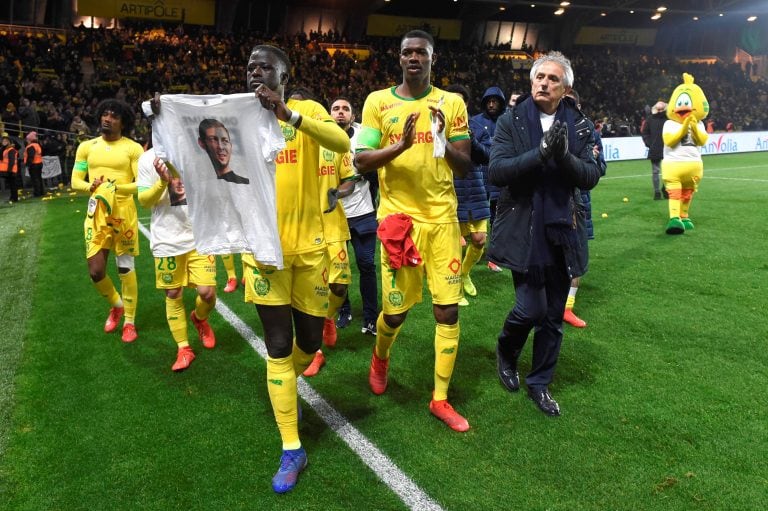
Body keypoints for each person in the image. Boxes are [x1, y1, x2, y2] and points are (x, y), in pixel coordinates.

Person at [355, 30, 474, 432]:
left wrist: (442, 140)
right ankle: (380, 357)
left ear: (432, 59)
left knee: (447, 309)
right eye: (407, 52)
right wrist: (399, 147)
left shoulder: (452, 103)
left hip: (442, 221)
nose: (413, 58)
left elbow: (465, 166)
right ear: (399, 58)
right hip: (398, 221)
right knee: (396, 311)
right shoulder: (378, 102)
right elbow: (361, 160)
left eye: (421, 52)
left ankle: (440, 399)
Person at [244, 44, 350, 493]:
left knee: (308, 341)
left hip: (310, 249)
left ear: (284, 74)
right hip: (263, 251)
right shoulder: (240, 116)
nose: (255, 73)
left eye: (264, 66)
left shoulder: (306, 109)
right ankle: (292, 446)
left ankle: (286, 387)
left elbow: (342, 143)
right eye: (250, 67)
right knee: (278, 345)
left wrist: (286, 114)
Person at [487, 51, 602, 416]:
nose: (544, 83)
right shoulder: (511, 121)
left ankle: (539, 383)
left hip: (564, 232)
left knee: (553, 316)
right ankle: (506, 351)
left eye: (553, 79)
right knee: (530, 308)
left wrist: (564, 156)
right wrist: (539, 153)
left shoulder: (581, 126)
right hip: (525, 229)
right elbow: (497, 171)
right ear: (532, 81)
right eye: (540, 77)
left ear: (565, 87)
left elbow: (590, 177)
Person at [137, 147, 217, 372]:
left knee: (207, 293)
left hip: (199, 235)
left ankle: (199, 318)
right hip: (167, 239)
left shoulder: (197, 149)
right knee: (173, 293)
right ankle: (184, 348)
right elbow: (143, 200)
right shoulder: (148, 159)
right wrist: (163, 182)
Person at [70, 99, 144, 343]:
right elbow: (75, 181)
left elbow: (140, 184)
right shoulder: (86, 147)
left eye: (113, 116)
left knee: (125, 268)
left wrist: (114, 187)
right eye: (104, 114)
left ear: (123, 122)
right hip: (97, 215)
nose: (107, 119)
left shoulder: (133, 149)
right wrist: (90, 186)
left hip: (123, 214)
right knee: (96, 271)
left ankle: (130, 322)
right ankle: (117, 304)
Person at [303, 129, 356, 377]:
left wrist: (339, 192)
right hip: (302, 230)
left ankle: (328, 318)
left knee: (339, 287)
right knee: (309, 295)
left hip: (333, 226)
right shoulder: (288, 147)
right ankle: (316, 352)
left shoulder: (334, 145)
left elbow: (349, 180)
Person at [329, 97, 380, 334]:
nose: (340, 112)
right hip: (333, 214)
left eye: (345, 109)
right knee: (338, 268)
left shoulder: (362, 137)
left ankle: (371, 316)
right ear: (329, 115)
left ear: (353, 115)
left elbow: (374, 165)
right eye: (336, 109)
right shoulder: (322, 138)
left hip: (363, 211)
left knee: (367, 264)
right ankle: (344, 309)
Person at [445, 84, 494, 306]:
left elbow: (487, 157)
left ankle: (464, 273)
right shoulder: (437, 128)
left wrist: (471, 137)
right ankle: (455, 287)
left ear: (465, 104)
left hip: (475, 189)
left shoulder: (478, 127)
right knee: (454, 245)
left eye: (460, 101)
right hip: (450, 191)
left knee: (479, 240)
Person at [562, 88, 607, 329]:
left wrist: (594, 160)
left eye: (571, 102)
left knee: (577, 256)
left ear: (578, 105)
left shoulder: (588, 129)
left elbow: (601, 168)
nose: (567, 105)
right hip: (555, 202)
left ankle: (567, 307)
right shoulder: (548, 125)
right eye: (564, 101)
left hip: (580, 202)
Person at [197, 119, 250, 184]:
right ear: (201, 143)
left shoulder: (245, 183)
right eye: (213, 140)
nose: (221, 147)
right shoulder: (200, 182)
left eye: (225, 141)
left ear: (230, 145)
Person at [641, 101, 667, 200]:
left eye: (661, 109)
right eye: (658, 109)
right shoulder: (650, 119)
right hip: (657, 148)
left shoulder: (668, 119)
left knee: (666, 171)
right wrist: (649, 143)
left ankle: (664, 189)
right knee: (656, 171)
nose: (660, 111)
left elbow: (645, 133)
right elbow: (645, 133)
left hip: (666, 148)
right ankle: (657, 192)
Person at [24, 131, 44, 197]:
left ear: (30, 139)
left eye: (27, 139)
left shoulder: (30, 146)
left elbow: (31, 157)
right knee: (39, 178)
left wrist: (28, 164)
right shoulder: (37, 145)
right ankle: (41, 192)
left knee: (35, 179)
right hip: (39, 163)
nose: (26, 141)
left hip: (33, 165)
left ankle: (37, 193)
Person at [1, 133, 20, 203]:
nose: (4, 142)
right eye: (3, 141)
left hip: (11, 170)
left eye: (5, 141)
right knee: (12, 184)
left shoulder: (11, 150)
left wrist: (9, 170)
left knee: (13, 184)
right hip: (9, 170)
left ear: (8, 142)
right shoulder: (5, 149)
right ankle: (13, 197)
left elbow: (11, 161)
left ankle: (14, 198)